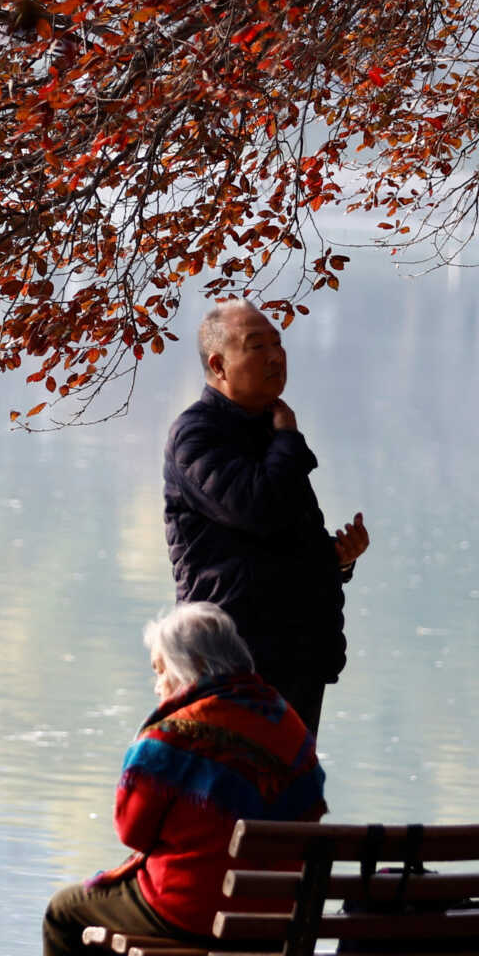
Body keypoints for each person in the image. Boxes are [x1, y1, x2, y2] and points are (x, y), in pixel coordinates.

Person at [0, 603, 326, 956]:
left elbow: (132, 831)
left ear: (187, 667)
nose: (156, 684)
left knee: (65, 912)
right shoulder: (288, 723)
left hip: (192, 914)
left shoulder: (172, 735)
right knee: (212, 889)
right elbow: (312, 807)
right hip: (272, 920)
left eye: (159, 670)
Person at [163, 301, 369, 736]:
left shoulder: (269, 431)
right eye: (257, 346)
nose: (276, 356)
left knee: (287, 798)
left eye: (278, 343)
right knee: (233, 796)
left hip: (297, 658)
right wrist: (289, 437)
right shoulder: (197, 434)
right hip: (231, 661)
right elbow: (258, 508)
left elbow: (278, 542)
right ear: (218, 365)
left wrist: (337, 559)